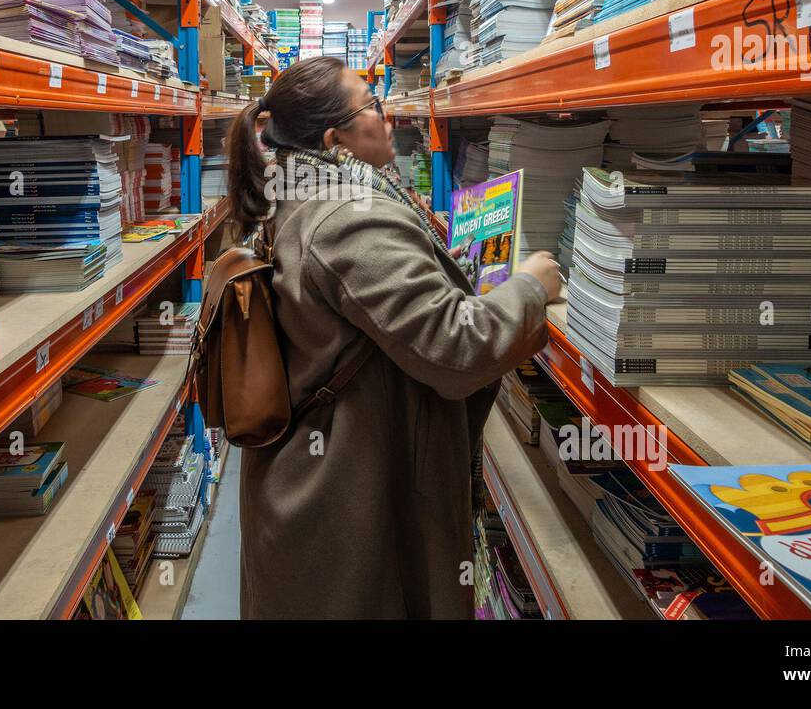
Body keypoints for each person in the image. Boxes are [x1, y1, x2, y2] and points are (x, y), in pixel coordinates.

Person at [225, 54, 563, 619]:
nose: (388, 117)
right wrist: (530, 288)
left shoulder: (305, 196)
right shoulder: (350, 219)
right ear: (336, 141)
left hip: (316, 486)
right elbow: (458, 349)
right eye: (372, 105)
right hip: (345, 505)